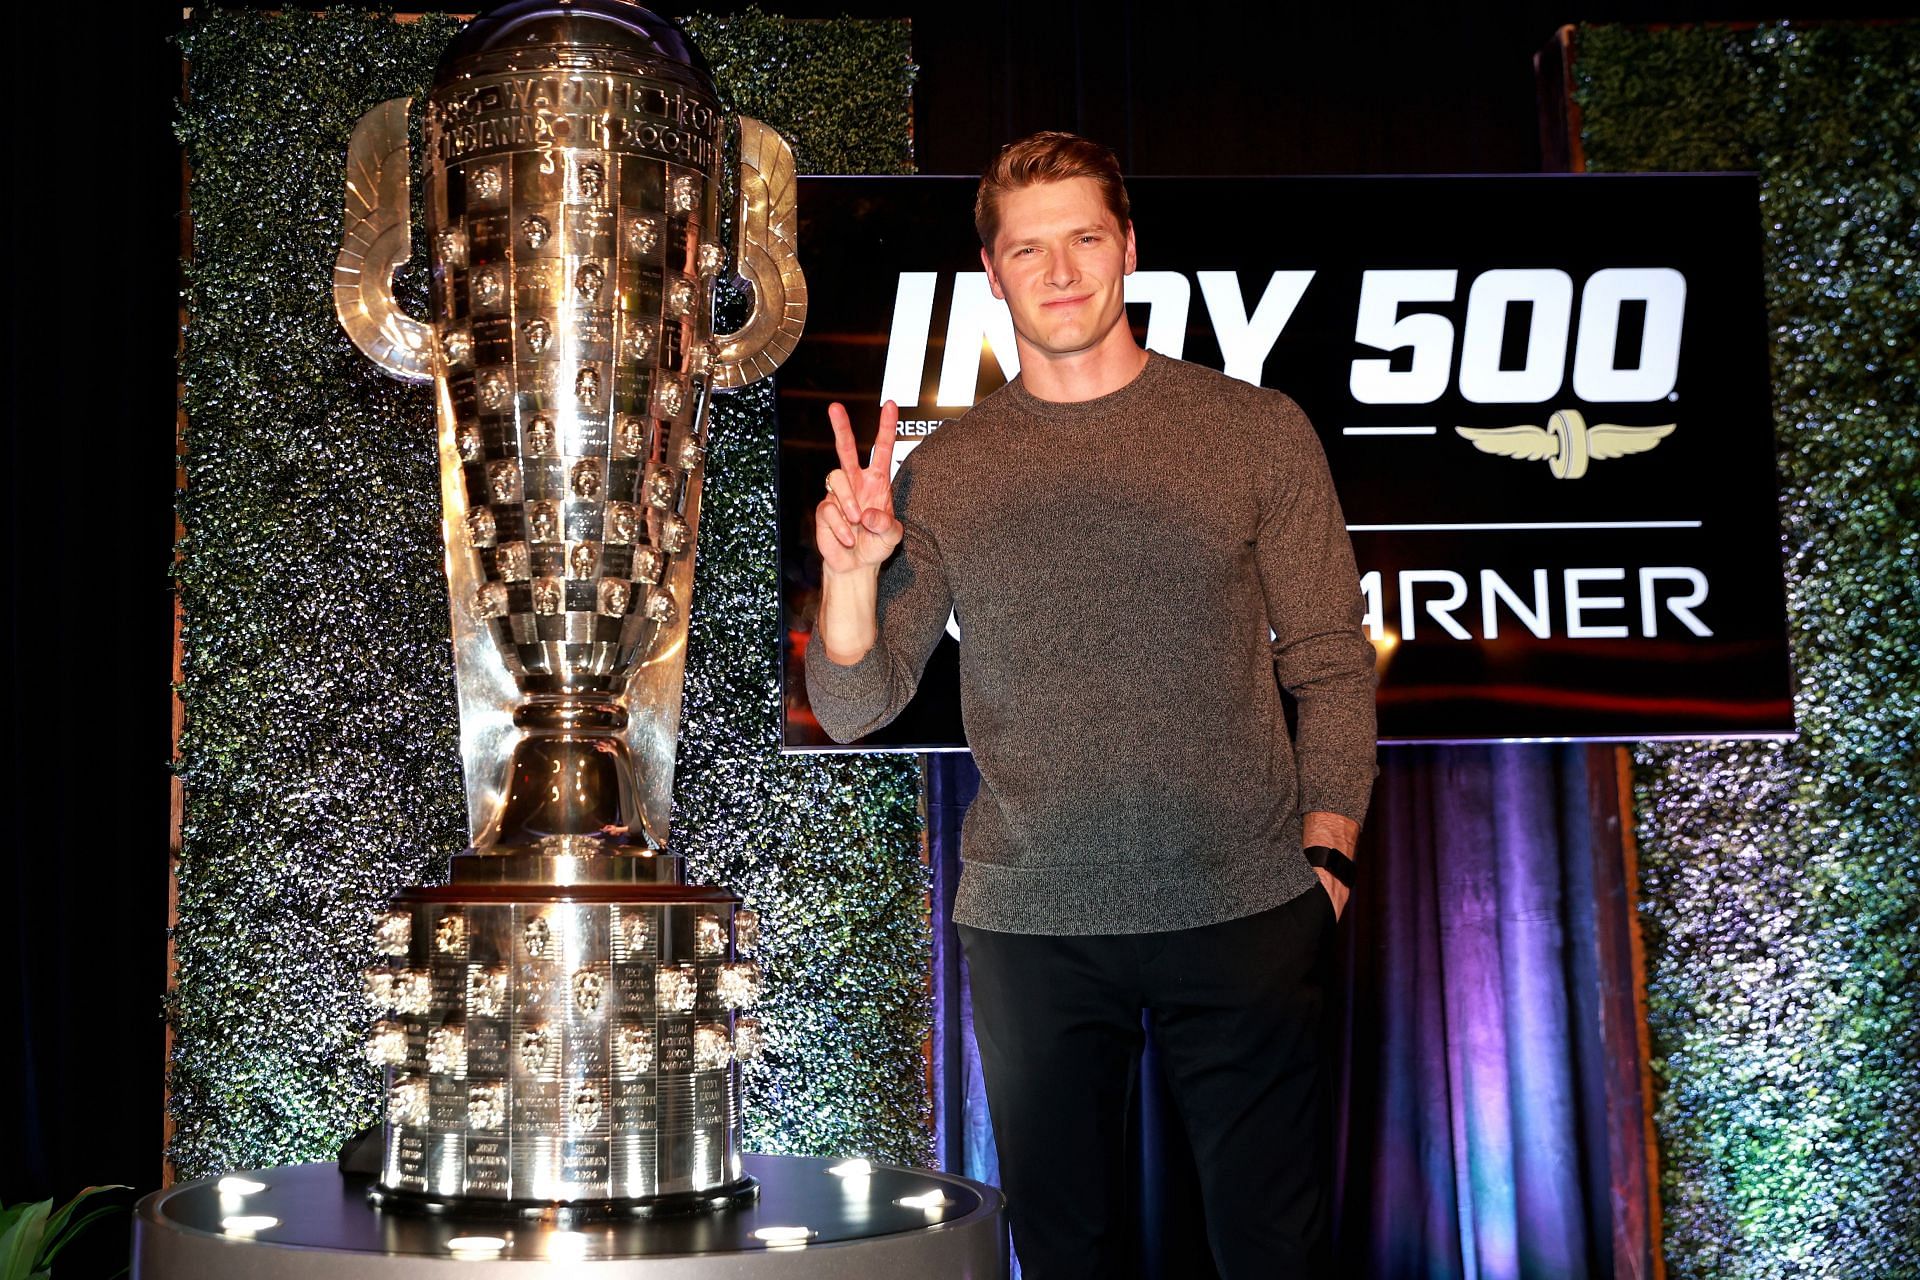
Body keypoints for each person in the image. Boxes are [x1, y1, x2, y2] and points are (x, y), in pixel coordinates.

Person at [805, 131, 1377, 1278]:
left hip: (1247, 909)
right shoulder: (948, 470)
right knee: (1069, 1253)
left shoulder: (1254, 430)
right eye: (1030, 250)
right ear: (993, 273)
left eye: (1082, 240)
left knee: (1278, 1250)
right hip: (1034, 927)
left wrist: (1329, 856)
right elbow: (857, 702)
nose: (1059, 272)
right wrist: (853, 576)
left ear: (1127, 249)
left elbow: (1329, 656)